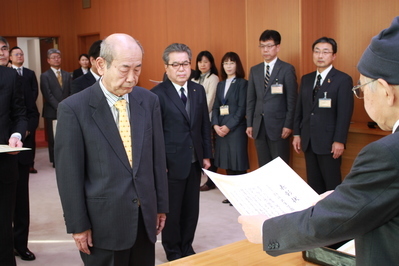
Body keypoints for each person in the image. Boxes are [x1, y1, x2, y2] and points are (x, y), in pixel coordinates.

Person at [238, 16, 399, 265]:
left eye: (362, 89)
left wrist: (265, 230)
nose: (362, 96)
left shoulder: (386, 154)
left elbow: (338, 219)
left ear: (386, 91)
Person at [55, 33, 168, 266]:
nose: (132, 78)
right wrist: (78, 225)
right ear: (101, 65)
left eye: (137, 69)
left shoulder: (148, 102)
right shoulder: (73, 109)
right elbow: (69, 175)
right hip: (102, 224)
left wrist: (160, 206)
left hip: (144, 218)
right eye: (124, 69)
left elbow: (156, 159)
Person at [151, 43, 212, 261]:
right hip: (170, 163)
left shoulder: (198, 90)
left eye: (185, 63)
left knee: (190, 210)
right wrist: (159, 163)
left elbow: (204, 124)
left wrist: (206, 154)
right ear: (166, 67)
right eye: (175, 64)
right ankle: (173, 250)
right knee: (172, 211)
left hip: (194, 160)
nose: (181, 69)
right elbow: (154, 134)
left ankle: (187, 246)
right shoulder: (157, 94)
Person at [292, 37, 354, 194]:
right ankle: (316, 215)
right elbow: (299, 109)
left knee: (331, 184)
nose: (320, 56)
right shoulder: (306, 79)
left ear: (333, 56)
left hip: (329, 142)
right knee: (313, 183)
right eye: (317, 51)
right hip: (309, 140)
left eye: (325, 52)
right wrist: (297, 134)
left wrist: (339, 140)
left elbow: (344, 114)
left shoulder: (342, 79)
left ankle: (334, 216)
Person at [246, 30, 297, 167]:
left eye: (269, 46)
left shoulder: (287, 69)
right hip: (259, 126)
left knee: (280, 166)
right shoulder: (254, 70)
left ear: (278, 47)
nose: (265, 50)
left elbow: (292, 100)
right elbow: (251, 99)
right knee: (263, 166)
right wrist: (250, 123)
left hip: (279, 127)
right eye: (262, 46)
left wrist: (288, 124)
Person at [9, 46, 40, 261]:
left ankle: (20, 245)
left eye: (3, 48)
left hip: (18, 151)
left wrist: (24, 131)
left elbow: (32, 112)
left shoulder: (19, 80)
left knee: (20, 203)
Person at [0, 36, 27, 266]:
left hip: (4, 159)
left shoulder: (11, 76)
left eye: (3, 48)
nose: (0, 52)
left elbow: (20, 113)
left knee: (3, 223)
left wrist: (16, 136)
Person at [212, 52, 249, 204]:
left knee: (237, 161)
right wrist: (215, 125)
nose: (228, 66)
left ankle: (241, 196)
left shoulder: (242, 83)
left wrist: (228, 126)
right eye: (225, 63)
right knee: (227, 161)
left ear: (237, 65)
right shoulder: (220, 84)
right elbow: (215, 106)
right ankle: (232, 195)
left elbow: (242, 109)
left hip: (236, 128)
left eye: (231, 63)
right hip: (220, 128)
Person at [192, 51, 219, 191]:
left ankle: (211, 180)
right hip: (194, 120)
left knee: (210, 150)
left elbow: (210, 100)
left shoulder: (213, 78)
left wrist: (197, 115)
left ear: (211, 63)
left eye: (206, 62)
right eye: (200, 61)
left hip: (206, 119)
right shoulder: (194, 78)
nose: (202, 64)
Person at [40, 48, 71, 167]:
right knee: (53, 137)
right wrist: (59, 107)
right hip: (51, 110)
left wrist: (67, 106)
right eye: (53, 57)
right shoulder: (45, 76)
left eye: (58, 57)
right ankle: (54, 160)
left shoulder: (67, 74)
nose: (56, 59)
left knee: (66, 135)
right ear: (48, 60)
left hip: (67, 110)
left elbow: (70, 92)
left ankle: (65, 157)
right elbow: (47, 94)